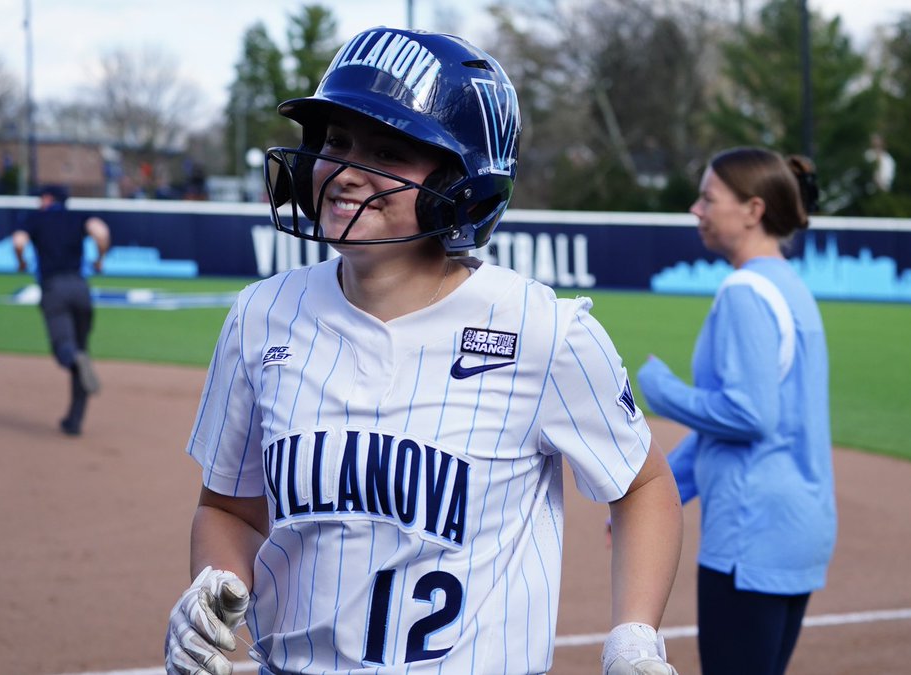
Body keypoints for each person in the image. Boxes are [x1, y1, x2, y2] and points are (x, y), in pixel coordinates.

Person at [165, 27, 684, 675]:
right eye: (335, 142)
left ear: (461, 183)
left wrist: (634, 634)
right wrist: (210, 591)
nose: (344, 172)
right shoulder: (261, 316)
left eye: (387, 151)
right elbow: (229, 509)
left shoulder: (542, 331)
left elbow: (643, 483)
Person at [637, 147, 836, 675]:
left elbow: (748, 416)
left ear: (752, 210)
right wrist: (666, 490)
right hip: (797, 527)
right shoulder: (791, 286)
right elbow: (735, 428)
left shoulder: (745, 292)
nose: (696, 210)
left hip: (752, 532)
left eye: (707, 198)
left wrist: (662, 389)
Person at [11, 184, 110, 436]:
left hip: (54, 289)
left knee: (64, 348)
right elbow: (100, 232)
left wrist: (21, 261)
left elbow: (18, 241)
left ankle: (72, 358)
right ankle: (74, 421)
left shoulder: (35, 218)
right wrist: (100, 259)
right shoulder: (77, 217)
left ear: (46, 198)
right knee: (82, 350)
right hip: (80, 288)